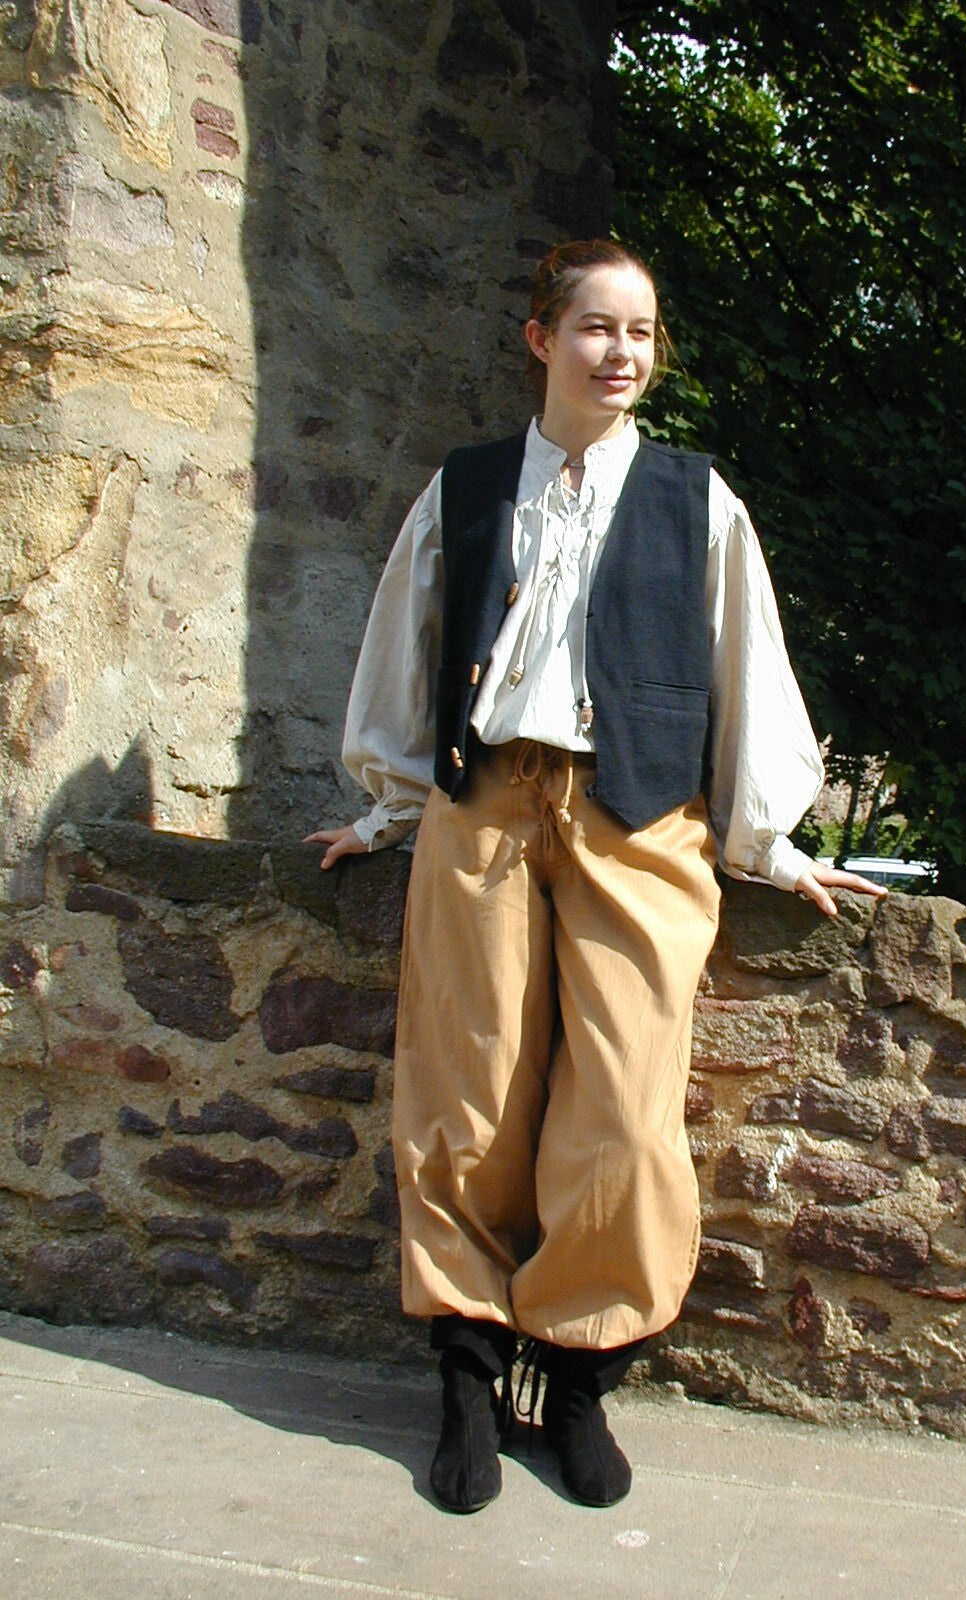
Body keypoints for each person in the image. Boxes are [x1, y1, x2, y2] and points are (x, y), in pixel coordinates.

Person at [306, 239, 885, 1513]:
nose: (621, 353)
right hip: (485, 805)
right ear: (540, 338)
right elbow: (405, 647)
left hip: (641, 817)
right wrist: (390, 805)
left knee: (623, 1107)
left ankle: (577, 1377)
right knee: (467, 1088)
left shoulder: (697, 499)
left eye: (640, 333)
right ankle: (465, 1370)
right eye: (594, 328)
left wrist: (770, 836)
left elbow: (748, 664)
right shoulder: (463, 492)